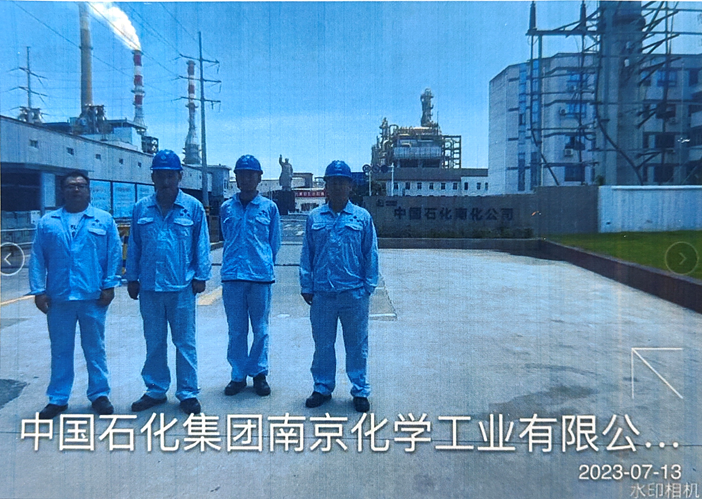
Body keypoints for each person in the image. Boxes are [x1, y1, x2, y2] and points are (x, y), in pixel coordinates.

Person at [29, 171, 122, 419]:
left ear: (89, 191)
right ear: (63, 191)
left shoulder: (103, 220)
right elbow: (37, 258)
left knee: (95, 348)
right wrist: (38, 291)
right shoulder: (48, 223)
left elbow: (113, 254)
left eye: (81, 185)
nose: (76, 189)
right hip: (59, 297)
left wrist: (110, 285)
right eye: (71, 186)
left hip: (92, 296)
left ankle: (99, 395)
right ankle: (58, 398)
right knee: (60, 349)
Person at [126, 149, 211, 415]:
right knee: (154, 341)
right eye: (160, 176)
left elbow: (201, 244)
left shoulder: (192, 208)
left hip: (181, 287)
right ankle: (155, 389)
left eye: (170, 176)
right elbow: (135, 246)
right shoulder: (141, 208)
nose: (165, 181)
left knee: (184, 342)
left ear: (179, 176)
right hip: (150, 287)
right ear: (152, 177)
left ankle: (187, 392)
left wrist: (201, 276)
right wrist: (131, 278)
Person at [299, 160, 379, 413]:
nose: (336, 186)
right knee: (323, 344)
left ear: (350, 186)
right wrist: (306, 284)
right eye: (332, 182)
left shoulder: (362, 217)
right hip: (323, 294)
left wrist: (368, 287)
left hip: (353, 294)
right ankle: (322, 387)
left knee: (357, 345)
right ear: (326, 186)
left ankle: (360, 389)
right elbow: (307, 254)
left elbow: (370, 253)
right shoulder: (315, 218)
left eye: (341, 182)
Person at [220, 155, 281, 397]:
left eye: (250, 174)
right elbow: (226, 237)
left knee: (260, 329)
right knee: (236, 330)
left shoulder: (269, 208)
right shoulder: (226, 208)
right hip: (233, 277)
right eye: (241, 174)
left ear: (259, 177)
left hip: (260, 277)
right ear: (236, 178)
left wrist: (262, 263)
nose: (246, 179)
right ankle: (237, 375)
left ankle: (259, 373)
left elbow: (274, 243)